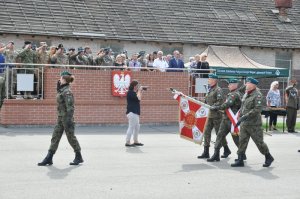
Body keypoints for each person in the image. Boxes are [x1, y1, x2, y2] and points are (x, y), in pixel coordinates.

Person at [38, 71, 83, 166]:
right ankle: (49, 158)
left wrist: (69, 120)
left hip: (66, 119)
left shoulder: (67, 92)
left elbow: (70, 107)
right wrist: (58, 87)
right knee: (55, 137)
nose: (59, 79)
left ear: (65, 80)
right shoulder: (62, 90)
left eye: (61, 78)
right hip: (60, 118)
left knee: (71, 137)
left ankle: (78, 156)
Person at [231, 77, 274, 167]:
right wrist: (240, 114)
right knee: (242, 141)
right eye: (246, 83)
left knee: (259, 142)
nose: (246, 84)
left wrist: (244, 117)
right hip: (244, 124)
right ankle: (240, 159)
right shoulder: (246, 94)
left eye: (248, 83)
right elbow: (243, 106)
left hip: (254, 124)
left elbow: (257, 110)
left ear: (253, 85)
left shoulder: (257, 95)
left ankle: (268, 156)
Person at [207, 78, 242, 162]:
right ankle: (216, 154)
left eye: (230, 84)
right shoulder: (231, 94)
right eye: (229, 84)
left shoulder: (234, 95)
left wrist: (217, 107)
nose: (228, 86)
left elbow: (227, 104)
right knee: (219, 136)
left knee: (236, 138)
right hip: (226, 120)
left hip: (232, 121)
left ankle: (242, 154)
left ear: (235, 85)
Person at [197, 74, 228, 159]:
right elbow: (207, 101)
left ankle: (226, 149)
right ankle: (206, 152)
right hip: (209, 115)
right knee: (206, 132)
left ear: (214, 80)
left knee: (219, 134)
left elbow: (220, 102)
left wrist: (213, 106)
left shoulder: (218, 90)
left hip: (217, 115)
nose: (208, 80)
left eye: (210, 79)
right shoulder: (209, 89)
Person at [125, 80, 144, 147]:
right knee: (131, 127)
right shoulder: (130, 93)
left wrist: (140, 91)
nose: (138, 87)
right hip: (132, 112)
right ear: (134, 86)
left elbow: (139, 99)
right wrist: (139, 91)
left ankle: (136, 141)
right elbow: (138, 98)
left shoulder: (133, 93)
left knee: (137, 127)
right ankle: (127, 142)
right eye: (137, 86)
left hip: (135, 113)